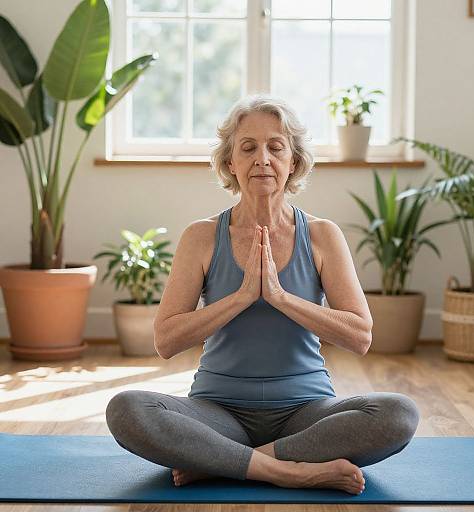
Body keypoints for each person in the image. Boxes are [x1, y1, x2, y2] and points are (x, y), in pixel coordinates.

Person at [105, 95, 420, 494]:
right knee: (127, 410)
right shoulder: (201, 237)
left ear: (294, 162)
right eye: (248, 147)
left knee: (398, 414)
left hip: (306, 413)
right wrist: (239, 297)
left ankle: (222, 461)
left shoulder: (322, 235)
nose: (262, 159)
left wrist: (280, 297)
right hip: (217, 412)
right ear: (230, 163)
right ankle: (290, 471)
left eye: (276, 147)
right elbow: (166, 341)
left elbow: (360, 336)